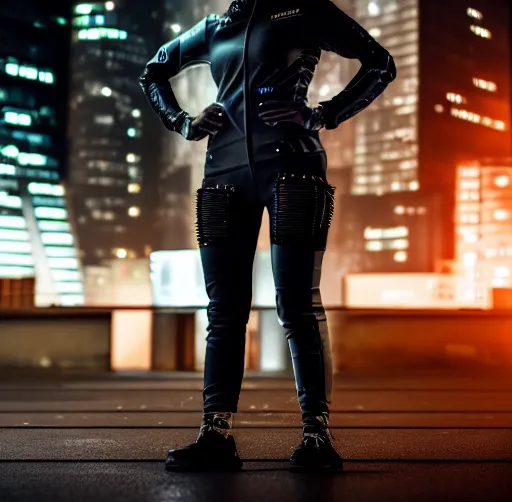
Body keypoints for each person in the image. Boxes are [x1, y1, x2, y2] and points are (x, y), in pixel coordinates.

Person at [140, 0, 396, 472]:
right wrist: (183, 122)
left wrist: (324, 115)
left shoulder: (305, 10)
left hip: (293, 168)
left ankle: (316, 435)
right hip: (222, 173)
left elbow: (381, 63)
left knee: (297, 303)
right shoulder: (216, 27)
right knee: (224, 310)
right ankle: (215, 433)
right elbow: (153, 72)